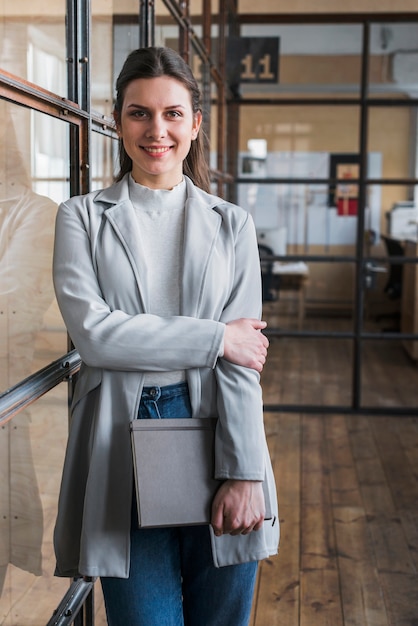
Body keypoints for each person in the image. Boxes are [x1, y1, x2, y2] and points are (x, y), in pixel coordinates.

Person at [52, 46, 279, 626]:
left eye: (173, 113)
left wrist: (246, 473)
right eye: (140, 113)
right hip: (121, 442)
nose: (157, 130)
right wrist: (215, 339)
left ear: (196, 123)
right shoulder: (80, 218)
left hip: (220, 434)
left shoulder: (232, 224)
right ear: (118, 120)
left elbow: (242, 360)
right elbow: (98, 337)